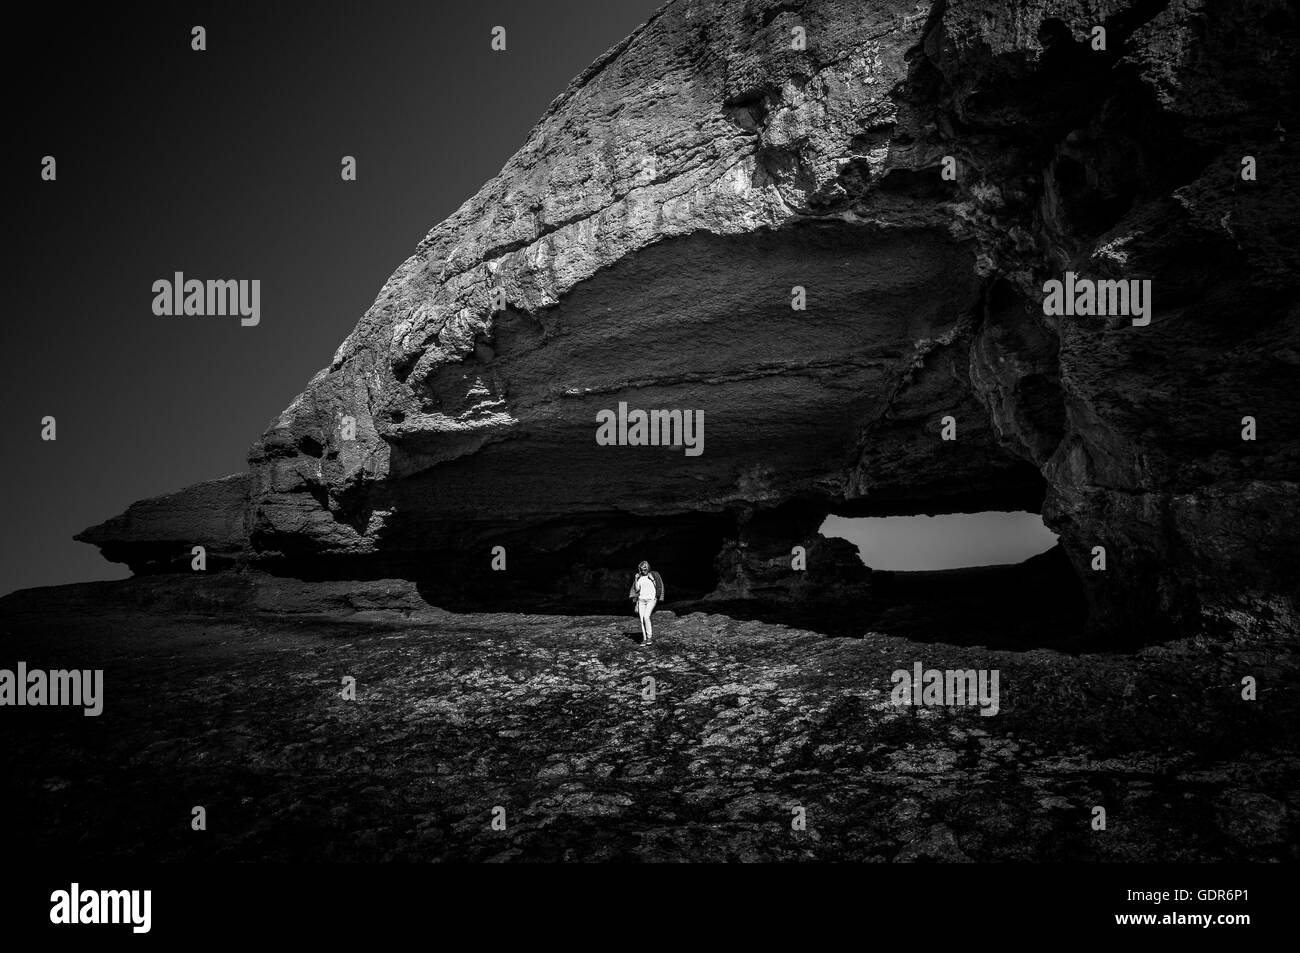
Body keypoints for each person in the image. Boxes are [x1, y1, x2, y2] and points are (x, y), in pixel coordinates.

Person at [628, 560, 662, 645]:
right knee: (642, 619)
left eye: (645, 569)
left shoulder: (652, 575)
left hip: (651, 599)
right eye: (641, 569)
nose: (643, 571)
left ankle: (649, 637)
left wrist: (656, 597)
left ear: (647, 568)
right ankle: (644, 639)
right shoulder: (639, 577)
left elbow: (658, 586)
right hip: (641, 600)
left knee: (646, 616)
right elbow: (636, 590)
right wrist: (636, 579)